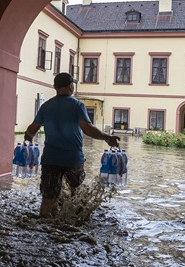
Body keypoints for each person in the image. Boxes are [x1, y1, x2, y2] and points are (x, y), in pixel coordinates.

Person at [24, 72, 120, 218]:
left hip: (50, 159)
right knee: (77, 195)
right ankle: (73, 223)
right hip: (72, 159)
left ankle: (43, 222)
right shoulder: (77, 105)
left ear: (55, 87)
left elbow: (31, 130)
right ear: (71, 86)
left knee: (48, 198)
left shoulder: (46, 106)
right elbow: (87, 129)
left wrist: (27, 143)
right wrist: (107, 137)